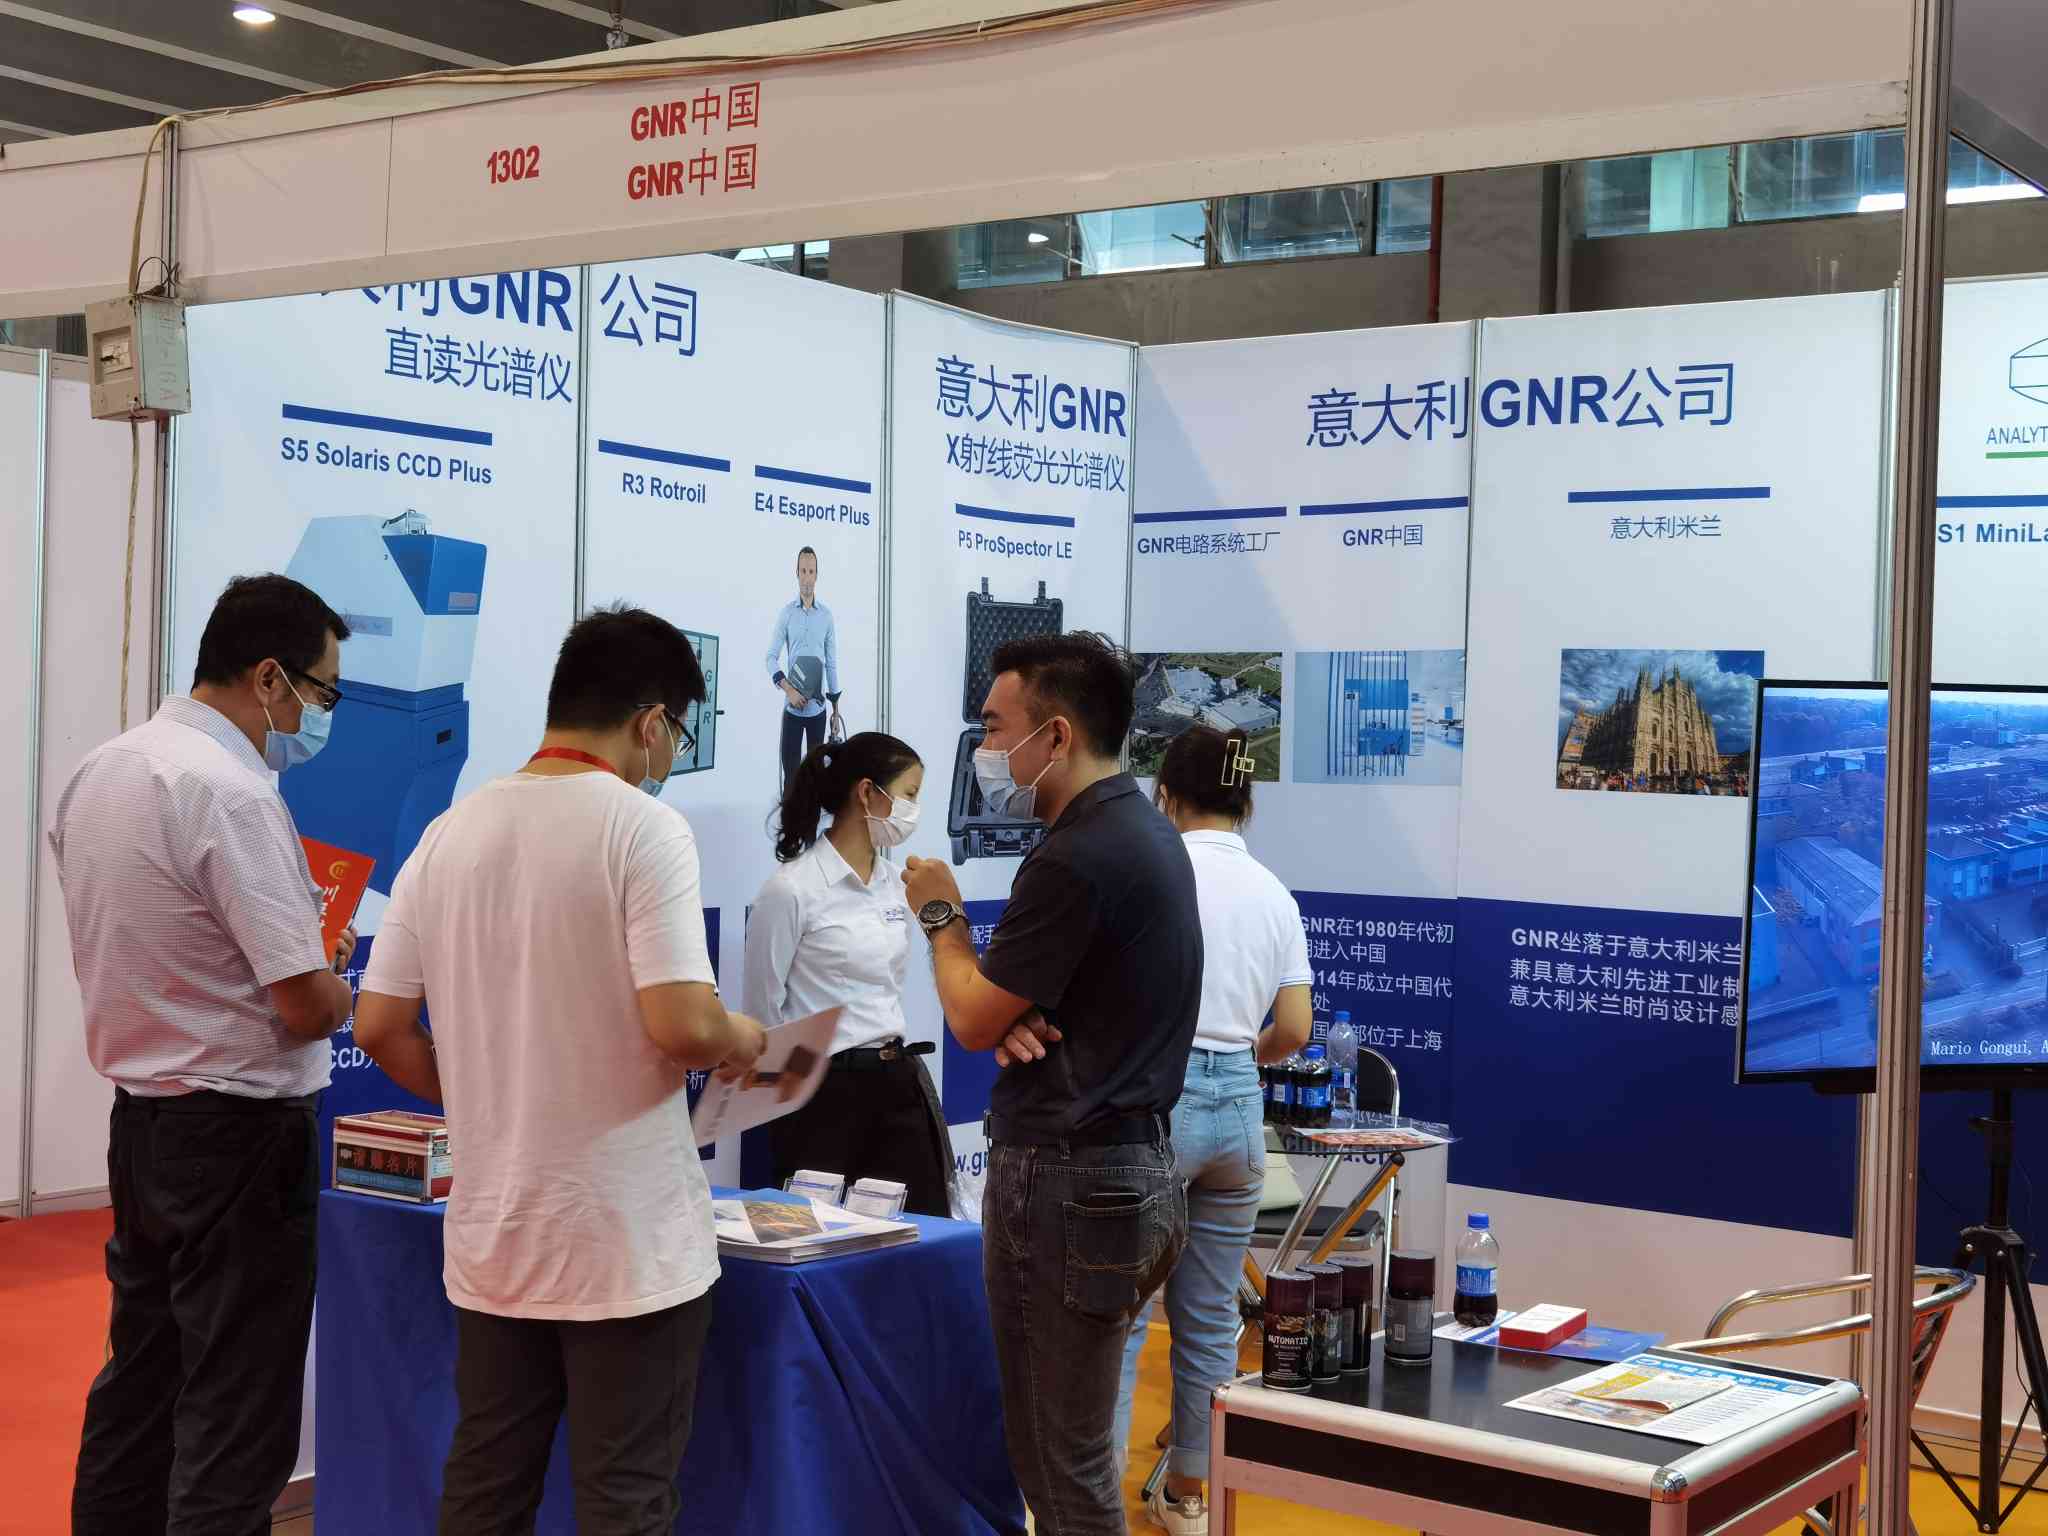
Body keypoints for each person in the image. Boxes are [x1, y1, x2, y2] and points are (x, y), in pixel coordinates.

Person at [352, 604, 767, 1536]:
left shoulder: (448, 832)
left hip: (497, 1236)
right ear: (652, 723)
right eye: (678, 734)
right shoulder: (643, 829)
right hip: (626, 1242)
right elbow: (682, 1022)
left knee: (487, 1487)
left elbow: (376, 1024)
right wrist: (740, 1035)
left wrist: (491, 1095)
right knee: (625, 1500)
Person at [51, 573, 358, 1536]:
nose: (320, 713)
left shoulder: (103, 770)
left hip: (145, 1123)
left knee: (141, 1385)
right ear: (269, 678)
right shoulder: (232, 791)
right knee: (237, 1409)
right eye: (322, 690)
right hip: (240, 1136)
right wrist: (341, 985)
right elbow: (304, 1006)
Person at [903, 631, 1200, 1536]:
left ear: (1057, 734)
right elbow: (1020, 1005)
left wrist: (942, 916)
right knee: (1071, 1452)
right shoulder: (1143, 830)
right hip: (1129, 1171)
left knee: (1057, 1465)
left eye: (996, 728)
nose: (986, 750)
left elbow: (969, 1016)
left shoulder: (1076, 855)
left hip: (1072, 1181)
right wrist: (1009, 1009)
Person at [1110, 727, 1313, 1536]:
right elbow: (1294, 1028)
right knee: (1210, 1319)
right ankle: (1191, 1495)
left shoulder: (1149, 870)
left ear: (1165, 796)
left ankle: (1094, 1506)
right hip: (1239, 1110)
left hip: (1157, 1098)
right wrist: (1243, 1059)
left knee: (1120, 1318)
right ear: (1247, 802)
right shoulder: (1274, 893)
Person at [743, 731, 955, 1217]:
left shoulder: (898, 884)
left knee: (921, 1231)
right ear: (867, 793)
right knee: (820, 1235)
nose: (914, 811)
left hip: (897, 1078)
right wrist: (788, 1104)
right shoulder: (791, 889)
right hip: (821, 1089)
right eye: (909, 794)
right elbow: (761, 1011)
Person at [766, 546, 842, 787]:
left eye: (811, 571)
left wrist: (835, 710)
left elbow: (831, 664)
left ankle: (811, 814)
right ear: (796, 573)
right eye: (803, 571)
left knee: (815, 780)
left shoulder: (826, 617)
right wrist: (788, 689)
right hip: (792, 711)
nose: (807, 577)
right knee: (791, 780)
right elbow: (770, 658)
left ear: (816, 575)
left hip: (818, 712)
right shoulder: (787, 614)